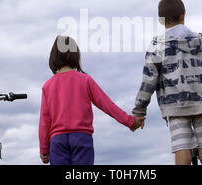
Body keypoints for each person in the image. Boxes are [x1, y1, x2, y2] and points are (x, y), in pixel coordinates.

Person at [132, 0, 202, 165]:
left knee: (182, 148)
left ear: (161, 21)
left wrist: (140, 110)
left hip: (175, 104)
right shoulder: (201, 42)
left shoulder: (157, 47)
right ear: (184, 15)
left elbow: (148, 81)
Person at [39, 35, 145, 165]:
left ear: (54, 56)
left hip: (57, 141)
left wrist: (44, 150)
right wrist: (130, 122)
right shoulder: (85, 80)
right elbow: (107, 105)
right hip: (81, 139)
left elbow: (44, 120)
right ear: (75, 55)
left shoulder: (47, 86)